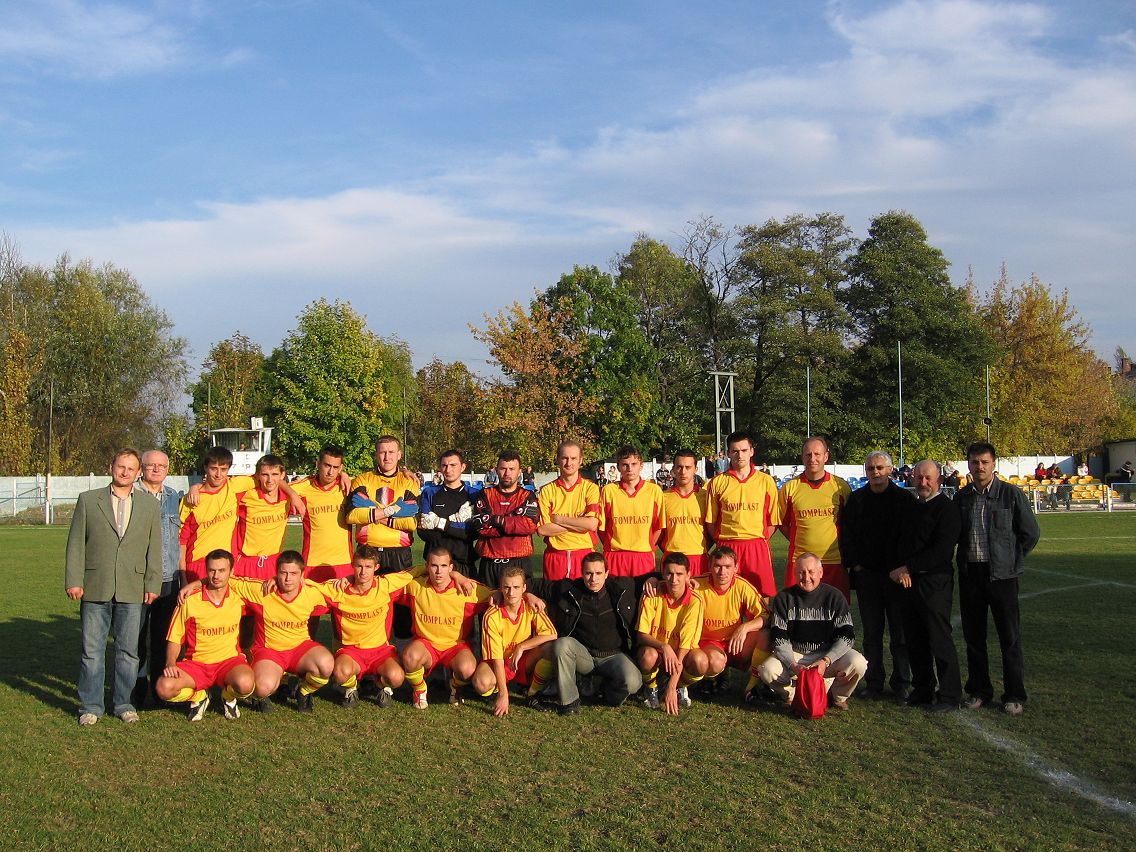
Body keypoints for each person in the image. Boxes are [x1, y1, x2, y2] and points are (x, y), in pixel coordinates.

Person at [65, 448, 163, 725]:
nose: (125, 472)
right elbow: (76, 544)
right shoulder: (88, 500)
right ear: (111, 467)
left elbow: (154, 548)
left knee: (129, 652)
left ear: (138, 472)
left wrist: (153, 583)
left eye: (131, 468)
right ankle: (91, 706)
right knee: (92, 652)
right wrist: (74, 580)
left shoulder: (149, 505)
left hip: (133, 588)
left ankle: (124, 703)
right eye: (121, 466)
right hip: (95, 586)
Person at [955, 441, 1040, 716]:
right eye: (974, 462)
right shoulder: (962, 497)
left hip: (1002, 577)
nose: (979, 467)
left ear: (994, 464)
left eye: (984, 462)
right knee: (974, 637)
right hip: (971, 574)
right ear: (968, 465)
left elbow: (1030, 533)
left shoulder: (1011, 494)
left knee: (1009, 638)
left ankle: (1014, 694)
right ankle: (979, 690)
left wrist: (1011, 558)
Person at [838, 451, 915, 701]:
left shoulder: (904, 499)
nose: (875, 472)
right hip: (868, 577)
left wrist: (905, 566)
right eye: (871, 468)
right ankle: (874, 683)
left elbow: (912, 537)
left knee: (899, 634)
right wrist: (856, 565)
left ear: (890, 470)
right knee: (872, 634)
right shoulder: (857, 500)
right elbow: (846, 535)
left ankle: (902, 683)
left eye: (880, 468)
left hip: (896, 577)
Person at [527, 552, 643, 716]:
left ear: (607, 574)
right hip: (583, 655)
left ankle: (602, 689)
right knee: (562, 644)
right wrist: (528, 595)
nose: (593, 579)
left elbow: (653, 579)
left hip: (614, 656)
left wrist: (653, 580)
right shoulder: (569, 589)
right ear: (581, 573)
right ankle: (569, 702)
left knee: (633, 682)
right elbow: (529, 584)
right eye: (588, 573)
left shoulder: (622, 588)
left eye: (598, 573)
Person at [891, 460, 962, 712]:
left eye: (928, 478)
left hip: (935, 583)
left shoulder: (947, 509)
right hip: (908, 583)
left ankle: (950, 695)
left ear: (938, 480)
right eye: (919, 477)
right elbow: (901, 543)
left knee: (938, 638)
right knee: (915, 638)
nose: (923, 482)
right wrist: (902, 569)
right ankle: (922, 689)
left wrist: (908, 567)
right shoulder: (912, 507)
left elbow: (942, 551)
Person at [155, 549, 255, 722]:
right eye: (212, 570)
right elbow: (175, 637)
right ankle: (199, 696)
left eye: (222, 570)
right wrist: (170, 662)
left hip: (229, 661)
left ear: (231, 571)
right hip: (197, 664)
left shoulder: (240, 596)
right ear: (206, 570)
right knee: (164, 687)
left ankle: (228, 697)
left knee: (246, 684)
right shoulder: (189, 599)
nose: (216, 576)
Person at [758, 553, 867, 711]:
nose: (806, 577)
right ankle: (792, 695)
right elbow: (779, 638)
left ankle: (837, 696)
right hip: (795, 653)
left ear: (820, 573)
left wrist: (826, 660)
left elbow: (847, 636)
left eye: (811, 572)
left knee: (858, 663)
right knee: (766, 670)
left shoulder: (835, 597)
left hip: (826, 654)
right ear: (795, 574)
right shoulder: (784, 598)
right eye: (801, 572)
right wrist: (793, 664)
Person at [179, 446, 303, 583]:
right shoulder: (191, 500)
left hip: (226, 565)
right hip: (198, 564)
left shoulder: (235, 486)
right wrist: (194, 487)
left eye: (223, 469)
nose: (218, 474)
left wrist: (293, 494)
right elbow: (181, 542)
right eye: (214, 468)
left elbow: (273, 477)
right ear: (205, 468)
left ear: (229, 469)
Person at [316, 544, 419, 708]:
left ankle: (381, 685)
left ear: (376, 567)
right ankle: (351, 688)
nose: (363, 572)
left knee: (397, 678)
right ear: (353, 565)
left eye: (368, 567)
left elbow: (415, 571)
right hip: (351, 651)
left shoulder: (385, 585)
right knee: (340, 674)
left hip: (381, 651)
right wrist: (280, 580)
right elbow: (308, 587)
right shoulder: (338, 589)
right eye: (359, 566)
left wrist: (455, 574)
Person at [397, 545, 494, 709]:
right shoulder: (415, 587)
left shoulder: (466, 589)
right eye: (434, 566)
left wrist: (528, 596)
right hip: (426, 644)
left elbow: (501, 595)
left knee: (467, 669)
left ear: (451, 567)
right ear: (427, 567)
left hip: (455, 646)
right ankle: (419, 689)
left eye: (443, 566)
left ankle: (455, 687)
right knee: (410, 657)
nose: (438, 571)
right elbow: (385, 587)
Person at [132, 449, 183, 708]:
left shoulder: (174, 497)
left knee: (163, 639)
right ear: (142, 468)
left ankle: (159, 691)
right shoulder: (131, 495)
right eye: (151, 465)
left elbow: (181, 540)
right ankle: (136, 690)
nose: (156, 469)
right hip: (138, 579)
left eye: (161, 466)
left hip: (169, 580)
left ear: (167, 469)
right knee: (136, 639)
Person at [472, 565, 558, 716]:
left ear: (524, 588)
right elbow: (497, 658)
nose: (511, 593)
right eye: (507, 587)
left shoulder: (531, 606)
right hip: (501, 661)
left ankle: (532, 693)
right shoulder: (492, 615)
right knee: (481, 682)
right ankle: (497, 691)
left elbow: (551, 634)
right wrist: (503, 694)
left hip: (523, 659)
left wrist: (521, 647)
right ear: (500, 588)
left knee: (552, 648)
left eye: (516, 587)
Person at [704, 430, 781, 596]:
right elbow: (711, 521)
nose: (740, 455)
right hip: (727, 545)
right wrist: (722, 541)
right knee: (727, 596)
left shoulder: (766, 481)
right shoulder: (717, 482)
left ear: (752, 451)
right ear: (728, 453)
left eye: (744, 450)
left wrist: (759, 540)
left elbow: (773, 521)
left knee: (761, 596)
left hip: (756, 545)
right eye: (735, 451)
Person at [777, 436, 852, 600]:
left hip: (833, 560)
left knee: (834, 609)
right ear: (802, 457)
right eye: (808, 454)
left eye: (817, 454)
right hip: (800, 560)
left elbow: (850, 523)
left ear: (826, 456)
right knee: (797, 609)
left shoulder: (840, 487)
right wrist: (799, 539)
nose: (813, 459)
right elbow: (781, 522)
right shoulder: (790, 488)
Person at [689, 546, 769, 699]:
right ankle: (712, 677)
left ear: (736, 568)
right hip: (709, 643)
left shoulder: (742, 586)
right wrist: (654, 581)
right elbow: (672, 585)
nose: (722, 572)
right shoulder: (697, 585)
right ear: (710, 566)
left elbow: (766, 615)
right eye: (717, 566)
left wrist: (744, 627)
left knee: (764, 635)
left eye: (727, 566)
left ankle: (752, 686)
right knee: (715, 662)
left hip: (735, 641)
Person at [636, 553, 706, 714]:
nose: (674, 579)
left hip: (680, 656)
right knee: (647, 656)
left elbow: (684, 649)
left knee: (701, 661)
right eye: (669, 573)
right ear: (663, 573)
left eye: (679, 574)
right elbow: (641, 635)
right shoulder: (652, 594)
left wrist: (672, 687)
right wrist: (664, 646)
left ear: (688, 575)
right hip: (657, 654)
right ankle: (652, 687)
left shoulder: (695, 601)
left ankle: (680, 687)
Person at [345, 435, 421, 572]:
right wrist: (393, 511)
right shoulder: (362, 480)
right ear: (376, 455)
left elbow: (411, 523)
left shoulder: (409, 482)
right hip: (367, 551)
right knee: (366, 587)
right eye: (382, 452)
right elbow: (352, 516)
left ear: (399, 455)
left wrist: (372, 511)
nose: (387, 457)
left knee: (399, 588)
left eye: (391, 452)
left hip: (399, 553)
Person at [471, 450, 540, 587]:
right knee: (488, 600)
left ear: (519, 472)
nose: (507, 473)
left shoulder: (527, 496)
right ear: (497, 470)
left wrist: (496, 520)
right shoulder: (485, 494)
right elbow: (481, 526)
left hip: (519, 561)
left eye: (512, 469)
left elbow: (529, 526)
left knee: (521, 600)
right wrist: (514, 522)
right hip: (490, 563)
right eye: (503, 468)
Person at [289, 445, 356, 582]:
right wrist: (292, 494)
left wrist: (343, 475)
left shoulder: (348, 486)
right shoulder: (304, 487)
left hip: (344, 564)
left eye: (335, 467)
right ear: (318, 464)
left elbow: (373, 482)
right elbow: (276, 485)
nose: (330, 472)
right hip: (312, 564)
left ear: (341, 468)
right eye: (327, 465)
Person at [537, 440, 600, 581]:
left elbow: (591, 525)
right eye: (565, 458)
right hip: (555, 556)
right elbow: (543, 529)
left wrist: (559, 520)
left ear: (580, 461)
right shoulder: (546, 490)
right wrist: (579, 523)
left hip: (584, 555)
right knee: (553, 595)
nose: (569, 463)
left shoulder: (591, 489)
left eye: (573, 458)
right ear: (558, 459)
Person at [598, 445, 664, 578]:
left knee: (643, 591)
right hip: (615, 556)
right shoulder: (608, 491)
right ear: (618, 467)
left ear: (641, 465)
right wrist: (613, 546)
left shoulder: (654, 491)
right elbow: (602, 529)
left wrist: (647, 546)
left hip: (643, 556)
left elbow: (659, 527)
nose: (629, 469)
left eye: (634, 464)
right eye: (625, 465)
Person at [418, 449, 479, 574]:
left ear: (463, 467)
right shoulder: (429, 493)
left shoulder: (474, 495)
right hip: (435, 565)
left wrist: (439, 523)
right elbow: (424, 532)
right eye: (444, 465)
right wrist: (458, 524)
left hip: (463, 563)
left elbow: (472, 533)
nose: (448, 470)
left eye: (453, 465)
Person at [232, 454, 290, 580]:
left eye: (274, 474)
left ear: (282, 475)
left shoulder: (288, 498)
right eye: (265, 475)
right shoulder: (246, 495)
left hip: (274, 563)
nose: (270, 480)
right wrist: (196, 488)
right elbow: (221, 488)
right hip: (246, 562)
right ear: (257, 475)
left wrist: (294, 495)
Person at [659, 449, 711, 576]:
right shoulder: (663, 497)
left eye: (688, 467)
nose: (683, 472)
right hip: (672, 559)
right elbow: (659, 534)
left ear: (695, 469)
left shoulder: (706, 497)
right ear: (673, 469)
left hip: (699, 559)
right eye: (679, 467)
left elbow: (712, 531)